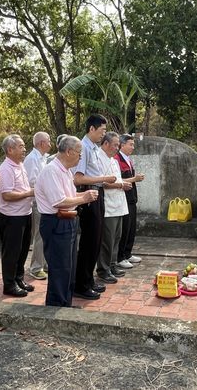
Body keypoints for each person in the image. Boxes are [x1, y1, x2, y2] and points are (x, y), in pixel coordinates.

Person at [35, 136, 98, 307]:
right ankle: (56, 305)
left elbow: (69, 196)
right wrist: (84, 198)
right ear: (69, 152)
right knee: (59, 268)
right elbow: (59, 201)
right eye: (79, 153)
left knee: (69, 267)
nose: (80, 157)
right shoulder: (51, 171)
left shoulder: (64, 171)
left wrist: (85, 196)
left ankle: (65, 303)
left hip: (67, 220)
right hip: (56, 222)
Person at [73, 114, 117, 300]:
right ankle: (81, 285)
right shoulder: (83, 148)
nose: (103, 134)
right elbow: (78, 178)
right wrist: (104, 179)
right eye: (102, 131)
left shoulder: (94, 148)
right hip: (88, 195)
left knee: (96, 241)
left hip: (97, 194)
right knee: (89, 242)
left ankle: (88, 280)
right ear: (92, 129)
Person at [0, 134, 35, 297]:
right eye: (21, 146)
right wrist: (30, 193)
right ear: (10, 150)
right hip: (12, 217)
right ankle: (9, 284)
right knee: (12, 252)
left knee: (23, 249)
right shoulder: (5, 169)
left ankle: (19, 278)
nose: (24, 149)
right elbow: (7, 195)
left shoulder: (20, 165)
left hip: (25, 213)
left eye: (24, 146)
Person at [96, 132, 132, 283]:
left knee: (117, 237)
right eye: (115, 145)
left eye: (118, 145)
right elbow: (101, 182)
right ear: (105, 144)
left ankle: (112, 264)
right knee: (107, 240)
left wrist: (123, 184)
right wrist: (120, 185)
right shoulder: (98, 159)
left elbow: (117, 179)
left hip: (119, 204)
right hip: (108, 205)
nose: (117, 148)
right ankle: (103, 269)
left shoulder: (113, 161)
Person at [23, 131, 51, 281]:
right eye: (48, 141)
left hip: (46, 202)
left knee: (46, 234)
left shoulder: (43, 159)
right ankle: (35, 267)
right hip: (37, 202)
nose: (50, 144)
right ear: (41, 143)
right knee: (39, 236)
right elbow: (32, 182)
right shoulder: (32, 159)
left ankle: (45, 264)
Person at [115, 134, 145, 269]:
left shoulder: (128, 159)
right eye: (130, 144)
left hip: (131, 197)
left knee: (132, 227)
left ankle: (128, 253)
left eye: (133, 144)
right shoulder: (116, 159)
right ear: (122, 145)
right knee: (125, 228)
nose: (133, 147)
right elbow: (116, 180)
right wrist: (134, 179)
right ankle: (120, 257)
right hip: (123, 198)